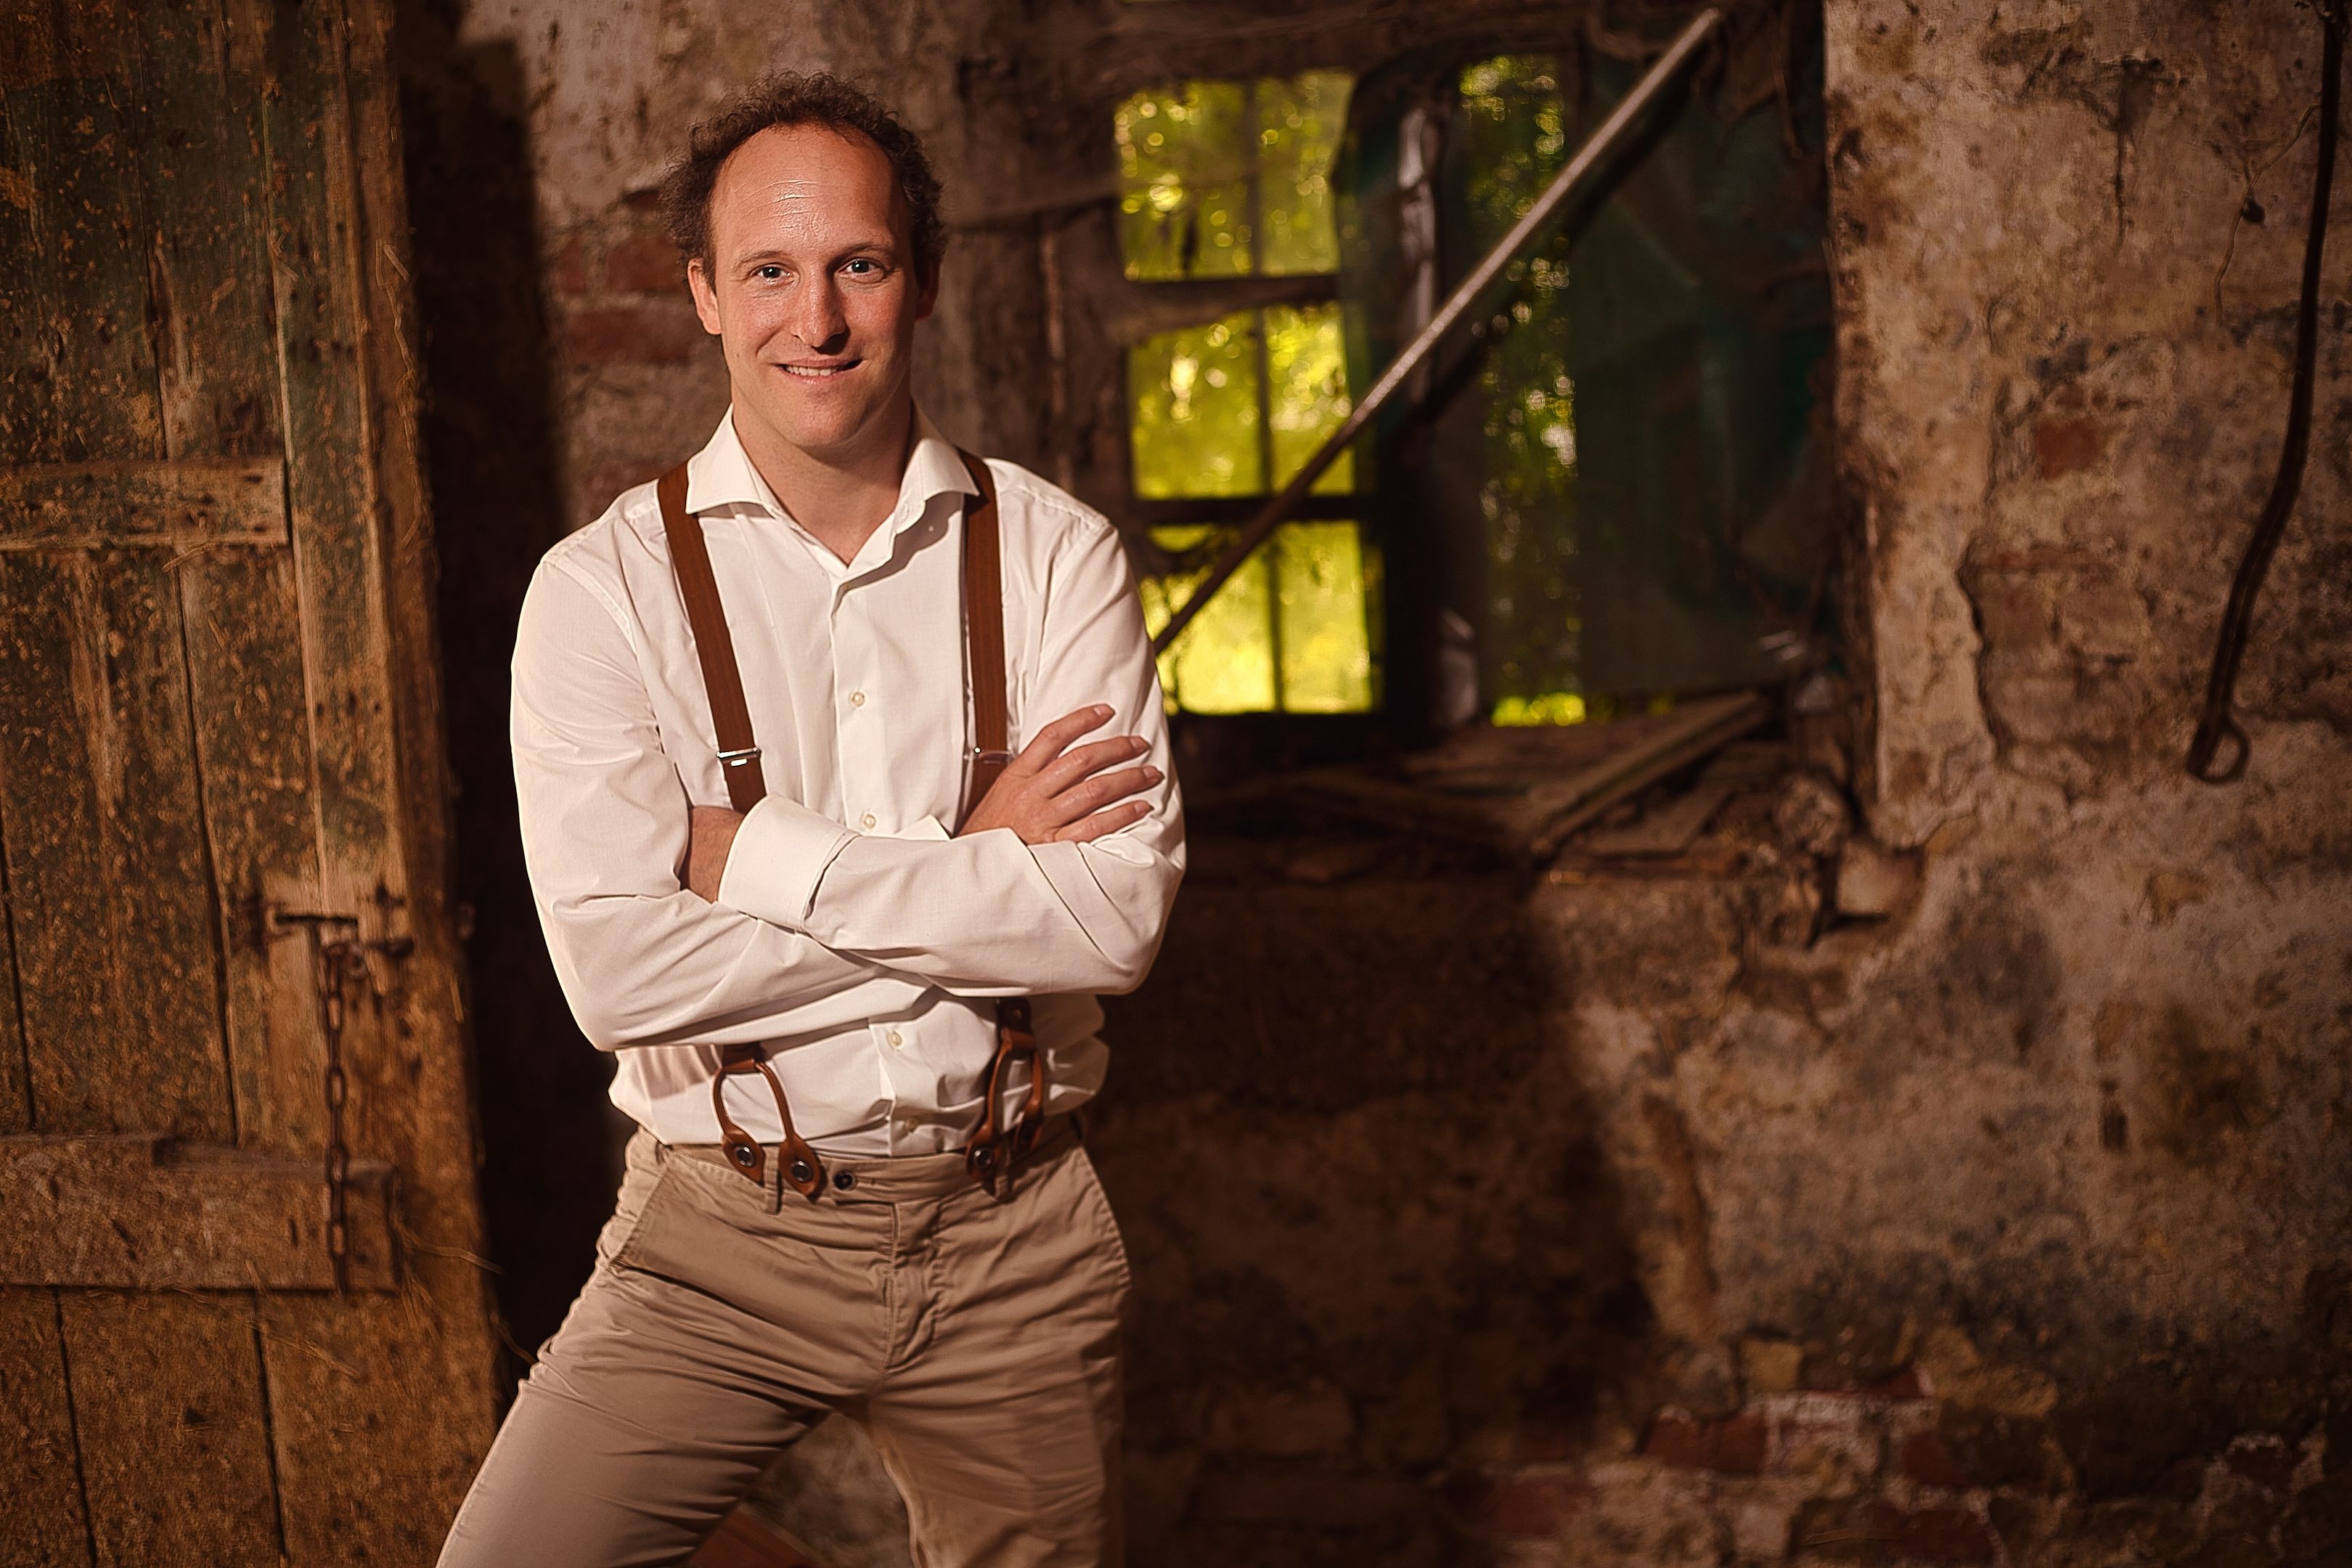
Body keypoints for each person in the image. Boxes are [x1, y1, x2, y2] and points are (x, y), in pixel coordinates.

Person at [438, 70, 1183, 1568]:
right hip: (721, 1235)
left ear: (925, 279)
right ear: (705, 295)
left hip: (1012, 1226)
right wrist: (976, 866)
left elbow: (1111, 926)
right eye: (770, 271)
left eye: (860, 264)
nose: (818, 320)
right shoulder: (601, 594)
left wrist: (760, 858)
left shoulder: (1057, 559)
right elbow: (620, 981)